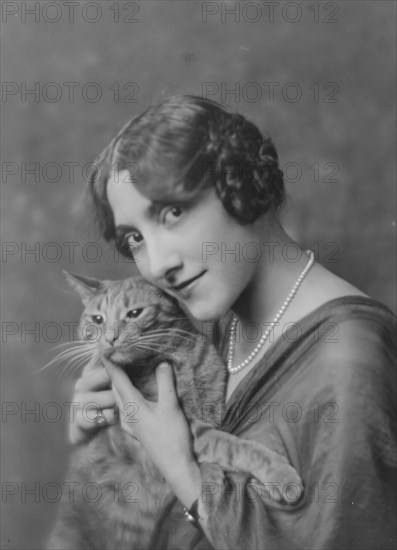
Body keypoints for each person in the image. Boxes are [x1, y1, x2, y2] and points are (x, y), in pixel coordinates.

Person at [69, 95, 396, 549]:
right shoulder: (217, 322)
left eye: (174, 213)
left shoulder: (348, 359)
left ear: (239, 184)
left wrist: (180, 468)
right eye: (135, 238)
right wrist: (98, 435)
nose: (158, 263)